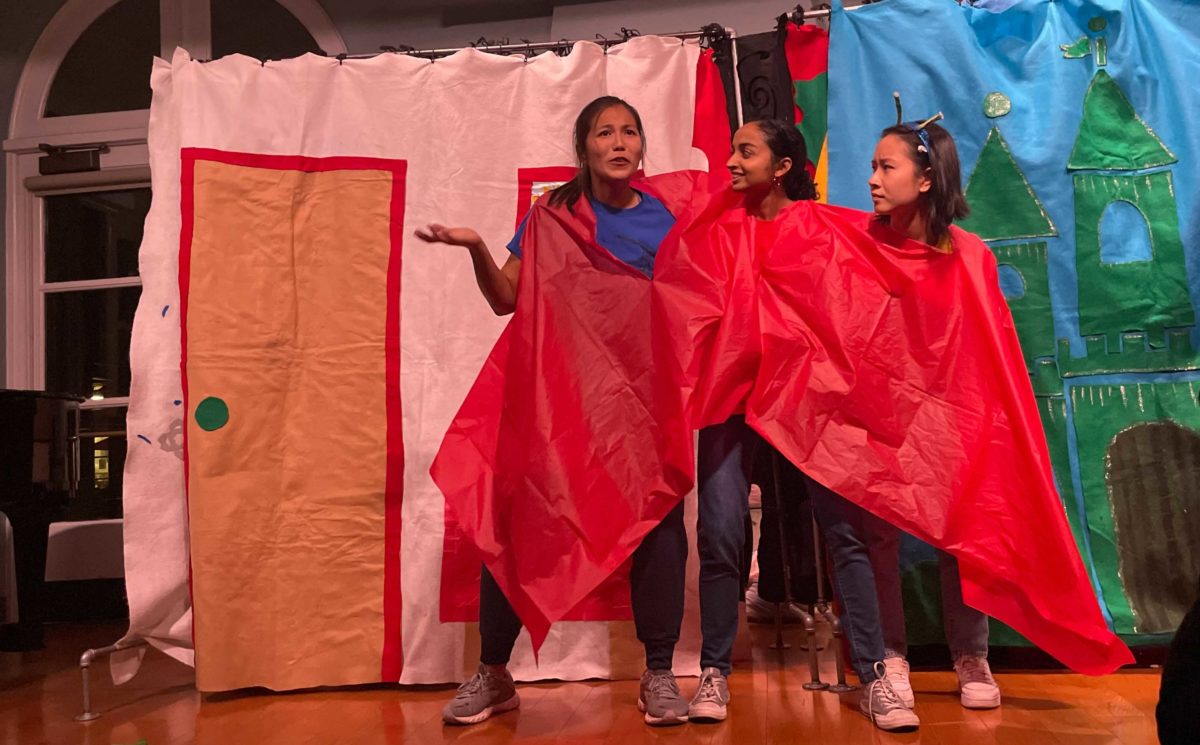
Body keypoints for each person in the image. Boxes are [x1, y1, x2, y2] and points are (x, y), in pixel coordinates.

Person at [417, 95, 690, 727]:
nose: (619, 142)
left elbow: (692, 302)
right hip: (562, 402)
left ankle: (657, 674)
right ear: (584, 149)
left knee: (656, 520)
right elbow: (506, 299)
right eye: (604, 133)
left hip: (641, 407)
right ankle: (494, 674)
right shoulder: (555, 215)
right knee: (516, 520)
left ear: (643, 147)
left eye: (629, 132)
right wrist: (476, 247)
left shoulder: (669, 218)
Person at [864, 116, 1001, 711]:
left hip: (952, 416)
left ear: (924, 180)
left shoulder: (971, 256)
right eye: (873, 165)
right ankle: (888, 656)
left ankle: (971, 654)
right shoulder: (860, 244)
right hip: (881, 414)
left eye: (885, 167)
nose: (872, 179)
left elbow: (988, 345)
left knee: (964, 537)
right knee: (878, 536)